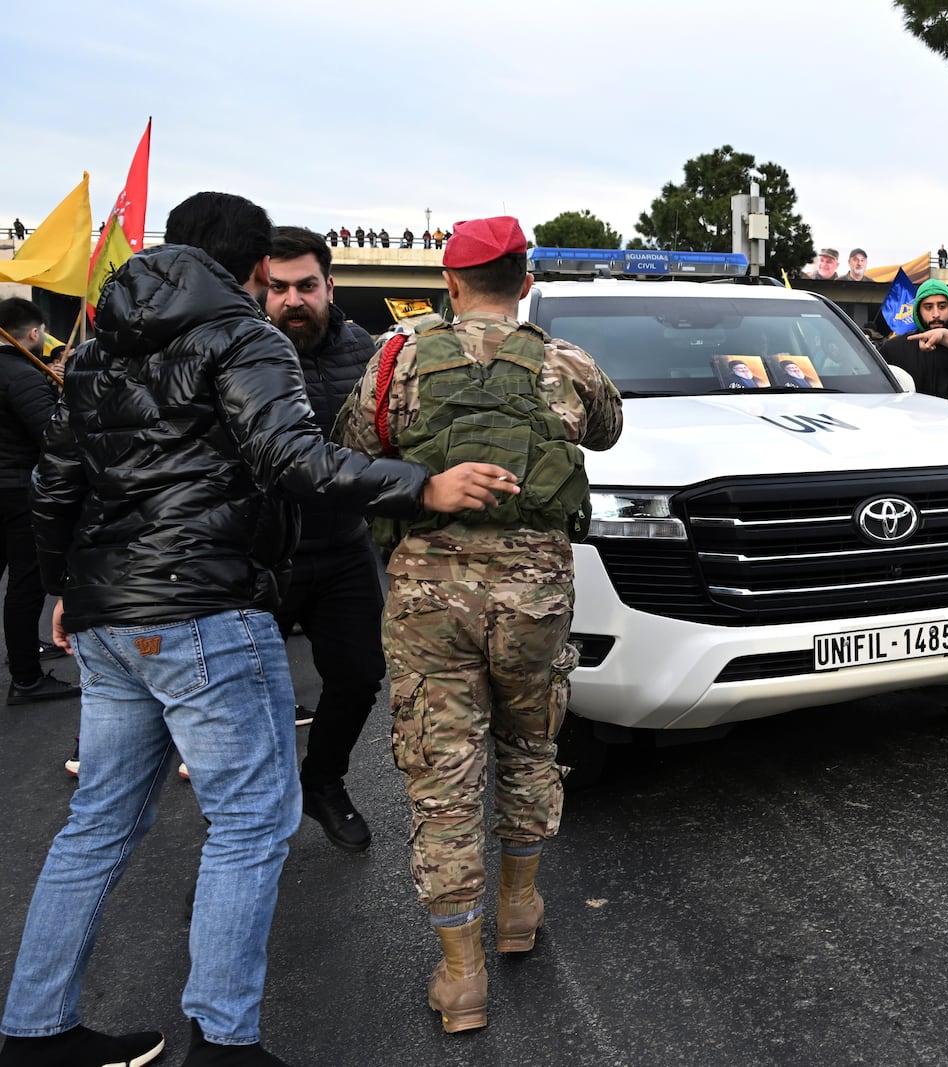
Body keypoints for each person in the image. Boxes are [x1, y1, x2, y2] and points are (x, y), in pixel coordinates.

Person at [3, 192, 520, 1066]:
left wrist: (64, 587)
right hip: (203, 608)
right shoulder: (245, 336)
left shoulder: (97, 347)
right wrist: (421, 484)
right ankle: (224, 1040)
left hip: (107, 614)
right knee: (250, 823)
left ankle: (33, 1029)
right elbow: (295, 458)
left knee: (96, 823)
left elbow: (57, 480)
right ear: (248, 268)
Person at [338, 215, 623, 1034]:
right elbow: (607, 429)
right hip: (535, 592)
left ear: (450, 281)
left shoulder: (393, 361)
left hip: (429, 594)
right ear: (525, 280)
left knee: (443, 775)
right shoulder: (565, 361)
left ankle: (461, 980)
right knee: (531, 746)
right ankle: (520, 909)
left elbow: (357, 450)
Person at [262, 226, 388, 852]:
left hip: (341, 547)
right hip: (258, 556)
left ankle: (323, 781)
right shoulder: (237, 351)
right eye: (278, 287)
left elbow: (382, 441)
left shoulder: (363, 349)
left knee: (361, 675)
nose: (293, 300)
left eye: (306, 286)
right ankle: (241, 835)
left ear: (329, 286)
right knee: (249, 699)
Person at [0, 299, 76, 707]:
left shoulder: (23, 374)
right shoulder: (22, 375)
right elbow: (53, 434)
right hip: (16, 492)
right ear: (33, 333)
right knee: (26, 586)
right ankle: (26, 678)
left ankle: (24, 648)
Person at [877, 279, 948, 400]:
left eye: (942, 306)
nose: (936, 314)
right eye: (928, 307)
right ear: (918, 311)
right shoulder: (894, 349)